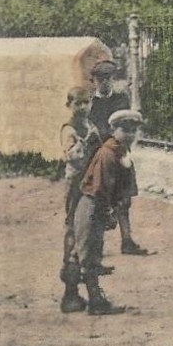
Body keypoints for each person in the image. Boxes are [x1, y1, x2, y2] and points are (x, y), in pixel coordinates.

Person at [73, 109, 144, 315]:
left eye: (133, 131)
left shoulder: (120, 152)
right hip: (92, 204)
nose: (129, 135)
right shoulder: (108, 153)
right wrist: (110, 212)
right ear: (114, 130)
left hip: (98, 205)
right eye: (124, 130)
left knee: (93, 250)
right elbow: (101, 188)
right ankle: (94, 301)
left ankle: (94, 298)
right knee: (88, 252)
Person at [88, 59, 146, 254]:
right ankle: (96, 246)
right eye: (100, 79)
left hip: (120, 152)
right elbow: (91, 131)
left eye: (108, 78)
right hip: (100, 156)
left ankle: (127, 240)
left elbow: (129, 127)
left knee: (124, 198)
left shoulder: (121, 100)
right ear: (93, 81)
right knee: (100, 200)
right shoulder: (90, 104)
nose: (104, 83)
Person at [59, 87, 102, 313]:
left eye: (87, 103)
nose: (83, 107)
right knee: (74, 233)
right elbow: (73, 156)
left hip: (90, 183)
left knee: (89, 231)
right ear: (69, 106)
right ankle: (71, 293)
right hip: (76, 186)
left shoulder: (90, 126)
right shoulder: (70, 129)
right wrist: (87, 141)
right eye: (78, 103)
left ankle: (84, 292)